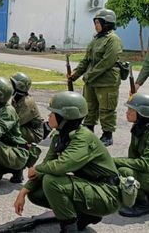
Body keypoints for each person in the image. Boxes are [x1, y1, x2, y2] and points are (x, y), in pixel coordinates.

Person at [14, 91, 121, 233]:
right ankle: (85, 215)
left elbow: (60, 166)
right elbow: (47, 165)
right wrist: (23, 192)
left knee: (51, 181)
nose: (49, 116)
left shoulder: (83, 138)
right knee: (35, 192)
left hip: (107, 194)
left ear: (65, 116)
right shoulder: (60, 136)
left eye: (53, 113)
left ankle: (69, 228)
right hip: (91, 187)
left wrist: (38, 168)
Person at [69, 9, 123, 147]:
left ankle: (107, 135)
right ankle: (88, 131)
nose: (96, 25)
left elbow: (106, 62)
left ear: (107, 23)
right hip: (92, 82)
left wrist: (88, 75)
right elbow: (86, 60)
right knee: (89, 107)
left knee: (106, 109)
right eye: (95, 22)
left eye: (99, 22)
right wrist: (75, 75)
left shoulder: (113, 40)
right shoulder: (96, 40)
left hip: (107, 82)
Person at [114, 93, 149, 217]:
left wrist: (116, 161)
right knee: (119, 169)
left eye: (131, 110)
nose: (127, 112)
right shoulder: (140, 127)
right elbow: (133, 156)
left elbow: (145, 164)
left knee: (125, 171)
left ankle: (143, 203)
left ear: (142, 112)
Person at [10, 72, 44, 144]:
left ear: (19, 86)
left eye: (12, 84)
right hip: (24, 127)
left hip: (34, 133)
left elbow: (15, 123)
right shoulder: (17, 98)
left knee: (8, 131)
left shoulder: (27, 102)